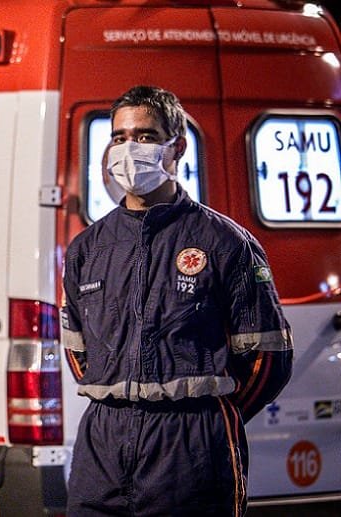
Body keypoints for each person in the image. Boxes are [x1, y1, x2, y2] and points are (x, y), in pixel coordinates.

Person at [61, 85, 294, 516]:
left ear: (177, 148)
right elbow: (78, 351)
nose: (129, 149)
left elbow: (268, 359)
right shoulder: (87, 249)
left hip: (190, 446)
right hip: (103, 445)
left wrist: (209, 417)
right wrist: (119, 393)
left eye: (145, 136)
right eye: (120, 137)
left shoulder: (225, 243)